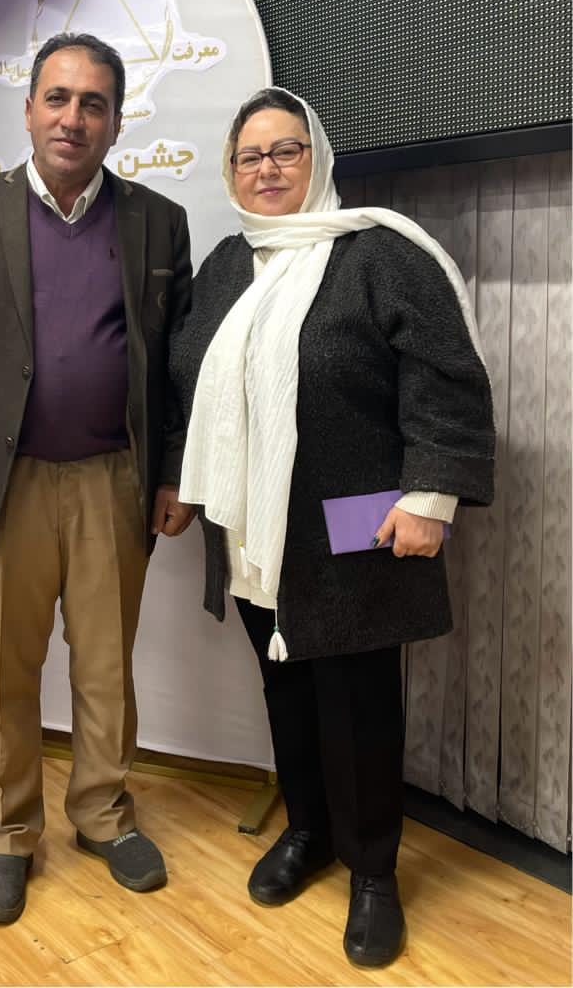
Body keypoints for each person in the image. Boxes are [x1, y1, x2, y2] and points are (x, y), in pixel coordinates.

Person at [169, 88, 495, 967]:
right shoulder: (226, 265)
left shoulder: (380, 253)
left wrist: (431, 494)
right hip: (252, 528)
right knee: (285, 688)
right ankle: (307, 830)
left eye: (286, 150)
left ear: (317, 158)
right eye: (249, 156)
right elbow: (186, 377)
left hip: (355, 523)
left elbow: (445, 376)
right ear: (230, 171)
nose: (267, 169)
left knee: (357, 700)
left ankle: (373, 872)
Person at [0, 33, 194, 926]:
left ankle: (103, 816)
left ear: (116, 121)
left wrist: (173, 473)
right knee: (3, 673)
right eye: (58, 98)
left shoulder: (158, 221)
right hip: (2, 484)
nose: (73, 118)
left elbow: (174, 366)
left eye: (93, 103)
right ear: (28, 108)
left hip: (114, 480)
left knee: (105, 667)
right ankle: (6, 836)